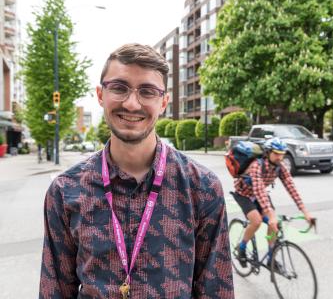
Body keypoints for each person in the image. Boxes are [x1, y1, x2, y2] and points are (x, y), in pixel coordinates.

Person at [39, 43, 234, 298]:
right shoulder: (65, 191)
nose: (132, 104)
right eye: (119, 88)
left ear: (164, 101)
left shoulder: (203, 187)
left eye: (148, 91)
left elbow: (215, 290)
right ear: (100, 95)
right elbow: (54, 290)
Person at [232, 138, 314, 268]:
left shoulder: (280, 167)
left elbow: (291, 188)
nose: (279, 157)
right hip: (244, 194)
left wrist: (305, 212)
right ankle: (241, 247)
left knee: (274, 224)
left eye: (282, 154)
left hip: (260, 195)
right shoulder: (256, 165)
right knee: (257, 221)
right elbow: (259, 189)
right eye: (276, 153)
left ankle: (271, 258)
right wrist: (270, 215)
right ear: (268, 152)